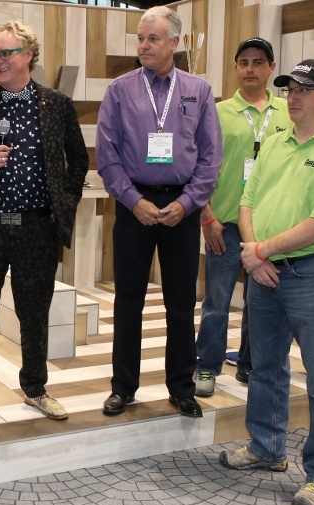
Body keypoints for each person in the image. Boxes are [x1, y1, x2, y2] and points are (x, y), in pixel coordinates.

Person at [218, 60, 314, 505]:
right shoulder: (278, 141)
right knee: (265, 367)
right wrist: (253, 251)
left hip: (312, 275)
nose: (292, 95)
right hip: (264, 273)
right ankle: (266, 447)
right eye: (289, 88)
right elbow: (247, 199)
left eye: (304, 88)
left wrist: (260, 252)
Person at [0, 20, 88, 430]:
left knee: (34, 314)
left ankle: (35, 388)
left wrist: (61, 207)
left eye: (6, 53)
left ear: (28, 54)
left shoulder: (57, 106)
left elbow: (78, 161)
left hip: (36, 228)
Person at [95, 6, 222, 418]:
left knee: (181, 303)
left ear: (175, 43)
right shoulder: (119, 90)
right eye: (140, 38)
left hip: (182, 209)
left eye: (152, 38)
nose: (144, 46)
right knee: (127, 300)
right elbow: (107, 154)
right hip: (135, 206)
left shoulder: (198, 91)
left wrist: (187, 204)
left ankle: (181, 387)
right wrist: (134, 201)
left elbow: (210, 157)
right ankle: (123, 387)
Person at [193, 37, 291, 397]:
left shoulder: (287, 114)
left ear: (271, 69)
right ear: (236, 68)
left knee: (261, 302)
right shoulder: (217, 113)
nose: (251, 69)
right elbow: (199, 168)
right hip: (224, 224)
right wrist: (206, 217)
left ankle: (250, 364)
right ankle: (206, 366)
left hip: (270, 227)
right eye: (244, 62)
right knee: (217, 300)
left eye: (258, 62)